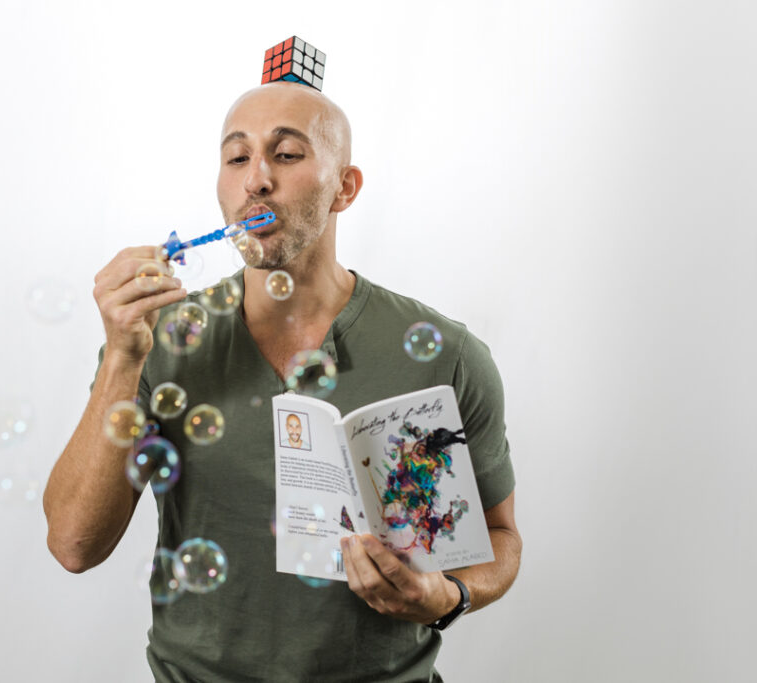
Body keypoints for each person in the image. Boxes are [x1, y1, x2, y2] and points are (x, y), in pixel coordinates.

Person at [44, 81, 522, 682]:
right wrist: (121, 355)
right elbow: (73, 545)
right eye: (237, 157)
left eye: (287, 155)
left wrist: (445, 597)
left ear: (344, 188)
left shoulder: (448, 356)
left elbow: (501, 538)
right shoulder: (158, 341)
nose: (256, 180)